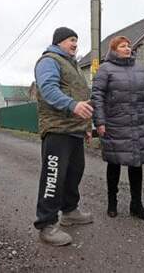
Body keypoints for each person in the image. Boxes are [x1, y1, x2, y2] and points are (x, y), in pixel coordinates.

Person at [33, 27, 94, 246]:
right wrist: (72, 105)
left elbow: (80, 97)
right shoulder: (49, 61)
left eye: (77, 40)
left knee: (74, 173)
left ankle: (69, 211)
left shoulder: (73, 65)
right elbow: (48, 89)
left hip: (75, 130)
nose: (75, 44)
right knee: (53, 176)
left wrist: (86, 126)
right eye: (71, 40)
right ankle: (47, 223)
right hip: (57, 129)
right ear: (59, 42)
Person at [91, 36, 144, 221]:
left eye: (128, 45)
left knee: (136, 163)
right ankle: (112, 203)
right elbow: (97, 95)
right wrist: (100, 122)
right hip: (114, 123)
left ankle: (136, 205)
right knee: (114, 163)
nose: (127, 48)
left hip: (137, 122)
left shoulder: (139, 68)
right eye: (123, 46)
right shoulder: (105, 69)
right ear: (114, 50)